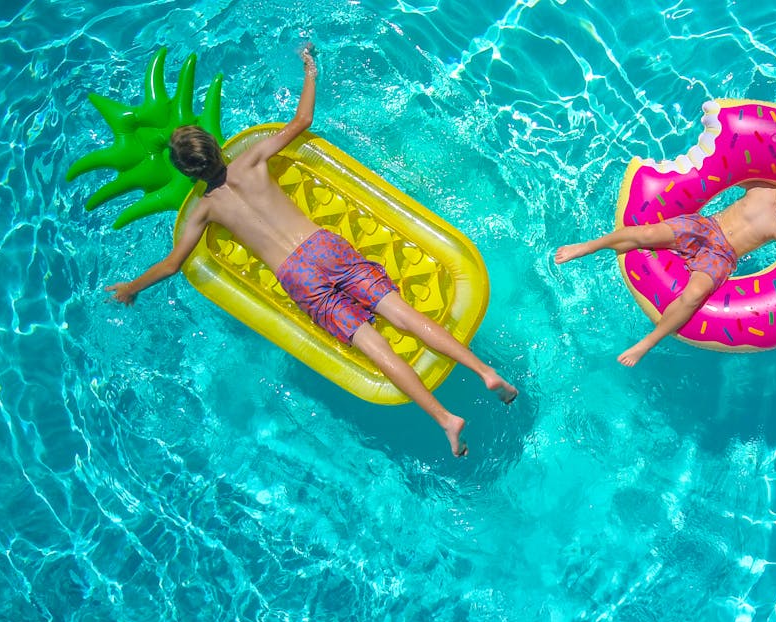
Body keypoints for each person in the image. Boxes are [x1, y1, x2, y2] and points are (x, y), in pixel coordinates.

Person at [106, 46, 516, 457]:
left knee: (376, 349)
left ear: (186, 172)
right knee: (405, 316)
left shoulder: (204, 209)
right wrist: (309, 70)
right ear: (215, 145)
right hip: (322, 247)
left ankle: (445, 419)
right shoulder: (251, 159)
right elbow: (303, 121)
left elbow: (172, 264)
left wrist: (131, 287)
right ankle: (485, 371)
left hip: (296, 275)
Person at [554, 163, 776, 366]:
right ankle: (587, 246)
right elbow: (723, 173)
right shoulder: (760, 186)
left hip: (723, 256)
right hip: (705, 226)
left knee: (695, 294)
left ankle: (648, 342)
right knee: (647, 234)